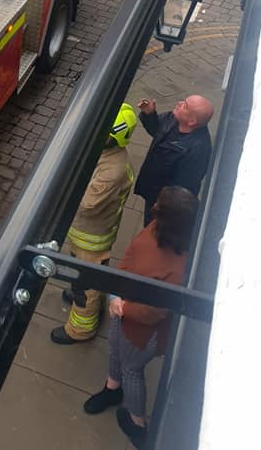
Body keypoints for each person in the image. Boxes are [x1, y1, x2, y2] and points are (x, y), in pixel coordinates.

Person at [83, 186, 199, 449]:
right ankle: (112, 389)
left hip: (142, 331)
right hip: (122, 310)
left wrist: (124, 307)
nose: (154, 207)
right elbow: (130, 254)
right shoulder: (156, 228)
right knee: (114, 350)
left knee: (132, 370)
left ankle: (137, 422)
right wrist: (115, 295)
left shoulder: (180, 266)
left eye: (159, 205)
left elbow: (156, 309)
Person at [50, 103, 137, 345]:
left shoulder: (113, 171)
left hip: (92, 238)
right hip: (85, 235)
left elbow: (87, 203)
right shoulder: (109, 155)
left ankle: (81, 329)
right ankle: (82, 294)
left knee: (85, 286)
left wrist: (66, 183)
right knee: (80, 275)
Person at [134, 95, 213, 226]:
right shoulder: (172, 118)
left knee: (153, 228)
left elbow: (185, 186)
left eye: (185, 105)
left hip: (164, 203)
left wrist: (162, 206)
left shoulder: (198, 150)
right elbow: (157, 130)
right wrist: (150, 115)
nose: (179, 103)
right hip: (152, 190)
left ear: (192, 121)